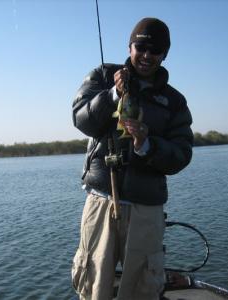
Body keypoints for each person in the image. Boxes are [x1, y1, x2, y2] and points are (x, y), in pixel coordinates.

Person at [71, 17, 193, 300]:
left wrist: (147, 145)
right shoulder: (103, 76)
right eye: (141, 47)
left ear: (164, 55)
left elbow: (181, 154)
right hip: (101, 199)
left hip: (146, 207)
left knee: (143, 287)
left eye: (156, 51)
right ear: (130, 47)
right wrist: (112, 94)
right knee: (94, 282)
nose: (147, 56)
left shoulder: (174, 101)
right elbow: (80, 118)